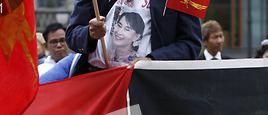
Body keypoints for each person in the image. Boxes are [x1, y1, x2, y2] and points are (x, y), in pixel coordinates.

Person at [66, 0, 202, 75]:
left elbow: (191, 44)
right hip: (96, 83)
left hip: (148, 86)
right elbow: (72, 35)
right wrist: (90, 33)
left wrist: (152, 59)